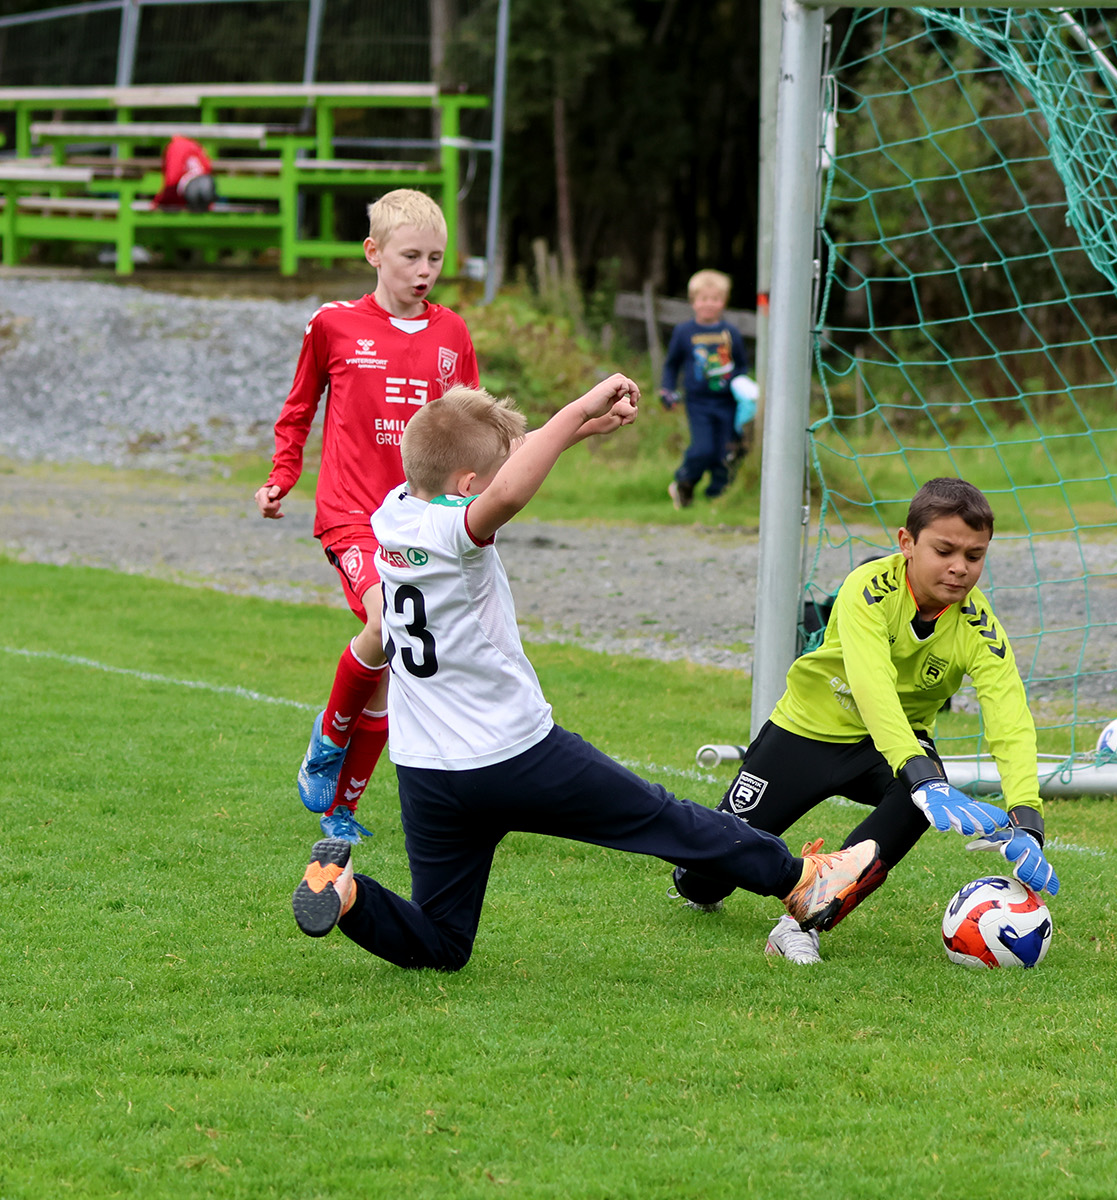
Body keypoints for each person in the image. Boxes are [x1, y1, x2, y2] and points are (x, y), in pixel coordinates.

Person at [290, 381, 884, 967]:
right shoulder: (456, 533)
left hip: (427, 771)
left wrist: (572, 433)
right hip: (511, 755)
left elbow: (490, 475)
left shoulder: (393, 513)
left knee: (444, 941)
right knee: (660, 817)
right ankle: (801, 877)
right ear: (467, 488)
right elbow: (507, 494)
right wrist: (577, 405)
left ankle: (349, 894)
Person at [671, 477, 1058, 965]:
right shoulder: (868, 588)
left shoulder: (979, 627)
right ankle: (697, 877)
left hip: (891, 748)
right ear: (906, 543)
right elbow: (873, 688)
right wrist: (921, 774)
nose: (960, 568)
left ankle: (802, 922)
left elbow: (1010, 718)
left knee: (917, 802)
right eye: (945, 550)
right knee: (703, 879)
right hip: (805, 734)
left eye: (975, 556)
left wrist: (1027, 817)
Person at [256, 189, 479, 842]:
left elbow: (472, 428)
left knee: (394, 663)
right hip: (352, 514)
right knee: (386, 621)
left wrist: (475, 499)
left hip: (419, 521)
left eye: (435, 258)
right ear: (373, 253)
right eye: (411, 256)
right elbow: (298, 409)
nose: (424, 270)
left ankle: (342, 809)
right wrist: (280, 478)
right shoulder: (333, 325)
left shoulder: (452, 334)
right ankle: (328, 736)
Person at [660, 269, 749, 509]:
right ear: (693, 301)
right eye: (703, 299)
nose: (709, 304)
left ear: (723, 302)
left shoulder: (730, 333)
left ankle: (717, 500)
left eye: (715, 299)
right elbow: (671, 365)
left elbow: (741, 365)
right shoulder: (684, 332)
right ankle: (684, 482)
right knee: (703, 449)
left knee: (726, 453)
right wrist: (667, 390)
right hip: (698, 402)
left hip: (727, 402)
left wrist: (745, 390)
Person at [152, 135, 216, 212]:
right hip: (205, 197)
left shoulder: (177, 146)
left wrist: (157, 202)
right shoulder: (195, 145)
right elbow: (207, 168)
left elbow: (172, 180)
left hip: (191, 196)